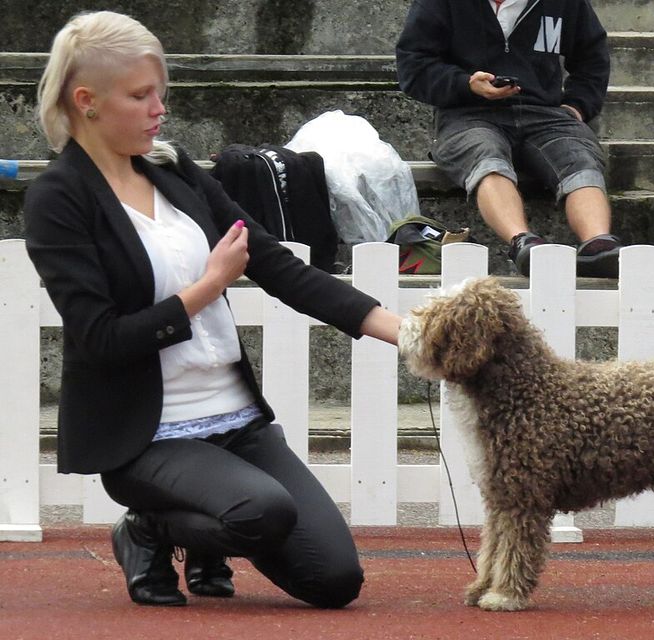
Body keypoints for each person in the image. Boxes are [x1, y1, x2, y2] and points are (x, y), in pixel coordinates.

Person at [25, 11, 402, 608]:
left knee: (335, 581)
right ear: (86, 101)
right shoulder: (57, 199)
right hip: (145, 437)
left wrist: (405, 332)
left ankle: (207, 531)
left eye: (162, 94)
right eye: (141, 95)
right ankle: (147, 529)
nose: (159, 109)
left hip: (235, 424)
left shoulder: (176, 173)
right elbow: (101, 339)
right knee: (263, 509)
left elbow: (279, 266)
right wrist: (207, 288)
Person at [396, 0, 622, 278]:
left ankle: (598, 244)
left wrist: (578, 105)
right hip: (467, 113)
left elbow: (592, 55)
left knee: (579, 159)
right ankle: (523, 241)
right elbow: (413, 66)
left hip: (546, 113)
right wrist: (466, 84)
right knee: (485, 157)